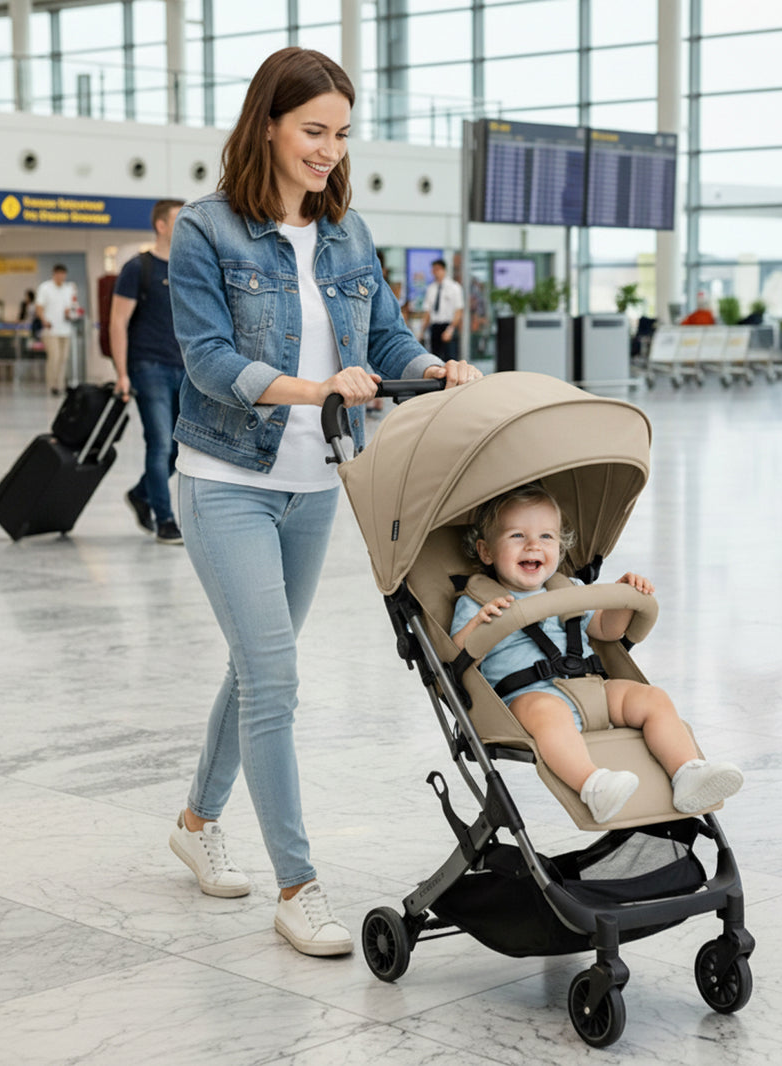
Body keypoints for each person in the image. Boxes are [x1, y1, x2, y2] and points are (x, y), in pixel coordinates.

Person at [166, 47, 481, 959]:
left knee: (254, 669)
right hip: (227, 481)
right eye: (314, 131)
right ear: (267, 122)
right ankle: (298, 885)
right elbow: (209, 362)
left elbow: (383, 333)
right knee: (276, 680)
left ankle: (195, 821)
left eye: (342, 135)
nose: (329, 152)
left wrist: (431, 368)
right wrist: (319, 392)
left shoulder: (346, 232)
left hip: (314, 488)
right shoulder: (206, 231)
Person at [451, 484, 742, 825]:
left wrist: (621, 596)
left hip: (591, 690)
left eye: (546, 536)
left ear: (560, 547)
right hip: (527, 698)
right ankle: (593, 785)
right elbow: (457, 656)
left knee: (652, 698)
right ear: (486, 551)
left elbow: (607, 631)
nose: (533, 545)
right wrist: (477, 625)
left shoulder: (569, 590)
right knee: (548, 713)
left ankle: (687, 773)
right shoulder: (475, 601)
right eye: (517, 535)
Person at [111, 198, 187, 546]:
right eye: (178, 219)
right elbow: (118, 322)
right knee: (158, 444)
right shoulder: (137, 268)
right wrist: (122, 373)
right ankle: (165, 519)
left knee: (178, 449)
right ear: (161, 225)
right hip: (148, 367)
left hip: (184, 369)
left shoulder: (188, 268)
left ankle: (141, 493)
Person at [35, 264, 79, 394]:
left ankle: (60, 384)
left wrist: (70, 313)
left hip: (65, 329)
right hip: (51, 329)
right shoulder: (45, 288)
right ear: (54, 274)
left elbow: (73, 307)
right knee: (54, 356)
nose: (61, 277)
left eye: (63, 274)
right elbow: (39, 307)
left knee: (63, 358)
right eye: (58, 274)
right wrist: (44, 320)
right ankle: (52, 385)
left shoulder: (69, 289)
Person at [419, 258, 464, 358]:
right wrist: (422, 331)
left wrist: (450, 329)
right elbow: (427, 312)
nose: (435, 272)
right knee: (435, 358)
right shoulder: (431, 288)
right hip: (435, 326)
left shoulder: (454, 287)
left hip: (448, 326)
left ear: (444, 270)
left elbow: (459, 310)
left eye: (437, 269)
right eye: (433, 270)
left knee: (450, 358)